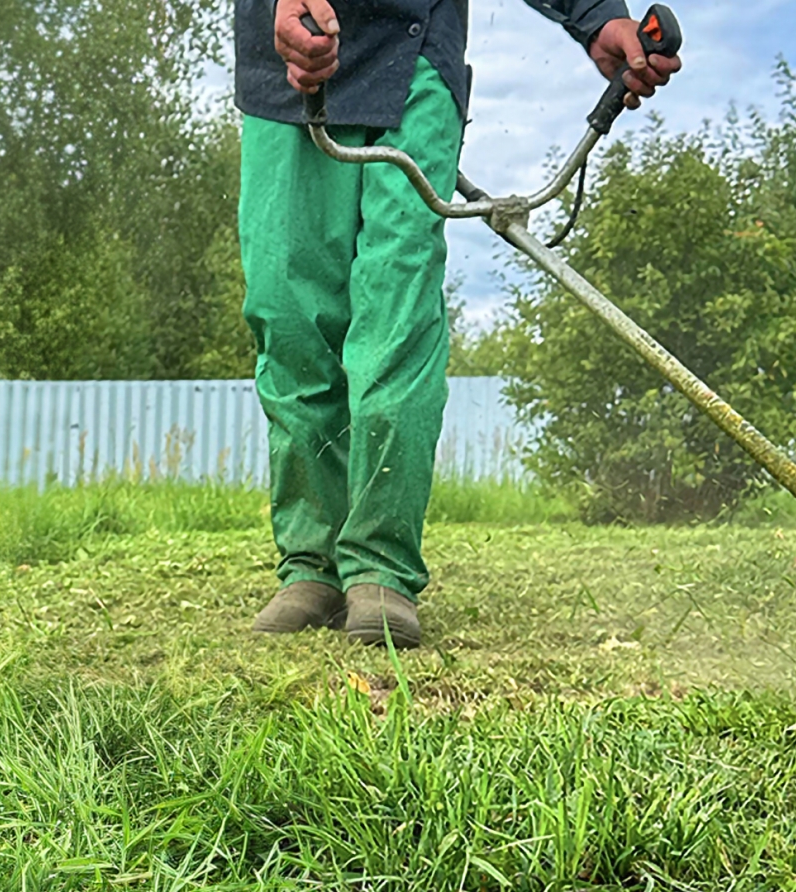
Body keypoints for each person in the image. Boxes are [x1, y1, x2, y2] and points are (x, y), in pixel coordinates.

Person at [235, 0, 681, 648]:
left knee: (395, 313)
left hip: (413, 54)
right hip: (283, 61)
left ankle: (380, 567)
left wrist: (593, 14)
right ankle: (312, 564)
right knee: (289, 314)